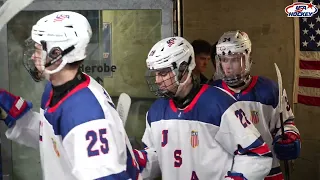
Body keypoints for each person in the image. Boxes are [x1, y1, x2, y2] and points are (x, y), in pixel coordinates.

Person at [0, 11, 141, 180]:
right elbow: (54, 140)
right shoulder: (56, 89)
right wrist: (13, 115)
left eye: (38, 50)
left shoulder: (86, 116)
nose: (33, 56)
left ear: (56, 55)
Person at [133, 36, 273, 180]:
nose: (157, 80)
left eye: (163, 73)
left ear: (183, 69)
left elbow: (257, 154)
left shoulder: (220, 103)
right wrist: (129, 159)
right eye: (156, 74)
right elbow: (155, 157)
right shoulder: (156, 111)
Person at [211, 30, 301, 179]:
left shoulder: (269, 89)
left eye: (234, 59)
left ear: (248, 58)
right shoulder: (211, 93)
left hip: (267, 172)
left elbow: (286, 123)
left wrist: (290, 137)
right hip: (227, 173)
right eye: (224, 60)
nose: (228, 66)